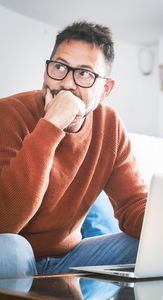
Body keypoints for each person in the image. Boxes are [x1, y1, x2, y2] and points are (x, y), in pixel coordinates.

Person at [0, 21, 147, 277]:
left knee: (147, 246)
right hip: (13, 253)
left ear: (105, 90)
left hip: (70, 256)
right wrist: (50, 125)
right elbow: (5, 222)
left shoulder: (110, 125)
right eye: (59, 67)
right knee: (10, 246)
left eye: (84, 74)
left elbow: (133, 203)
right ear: (46, 70)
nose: (67, 84)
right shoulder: (9, 113)